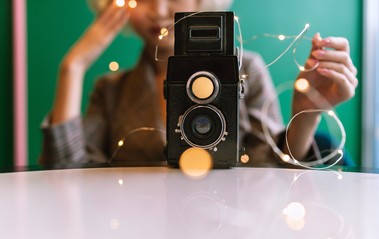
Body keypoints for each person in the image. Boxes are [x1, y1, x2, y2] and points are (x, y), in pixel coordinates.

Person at [40, 0, 358, 166]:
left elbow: (272, 172)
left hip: (233, 237)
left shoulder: (245, 68)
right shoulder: (112, 90)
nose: (160, 10)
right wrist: (72, 67)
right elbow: (67, 179)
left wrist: (307, 113)